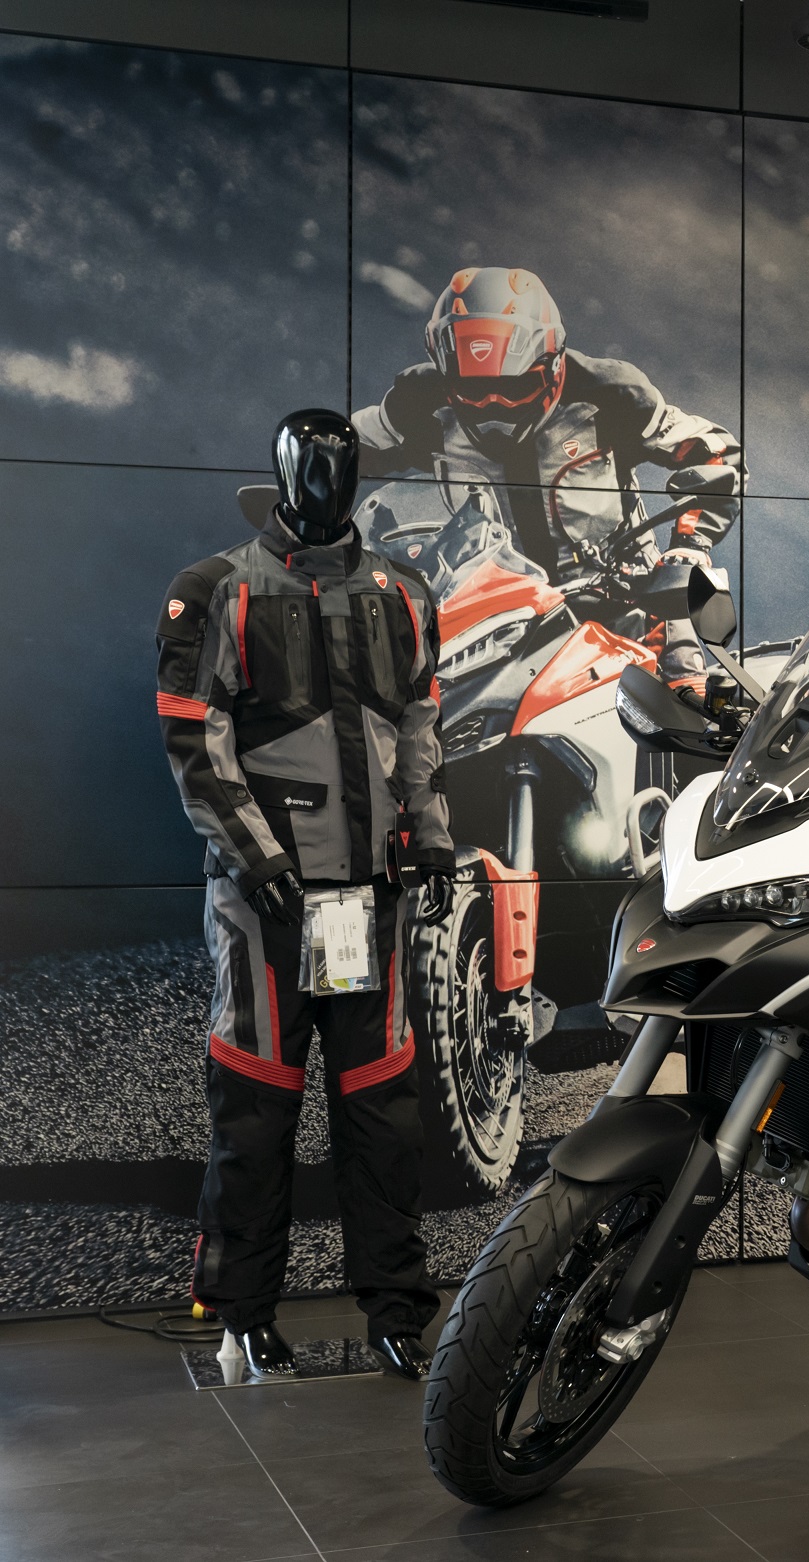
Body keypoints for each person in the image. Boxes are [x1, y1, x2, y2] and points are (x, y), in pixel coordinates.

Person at [155, 409, 456, 1380]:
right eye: (310, 466)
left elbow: (418, 727)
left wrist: (431, 833)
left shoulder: (403, 592)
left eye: (340, 466)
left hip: (369, 899)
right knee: (254, 1112)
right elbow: (195, 744)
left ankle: (397, 1309)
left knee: (383, 1115)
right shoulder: (216, 590)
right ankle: (241, 1314)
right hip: (265, 907)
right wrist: (259, 857)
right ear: (282, 474)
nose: (325, 482)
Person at [353, 266, 745, 685]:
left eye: (514, 388)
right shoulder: (419, 402)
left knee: (685, 703)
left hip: (628, 606)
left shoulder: (608, 394)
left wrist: (689, 548)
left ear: (553, 363)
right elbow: (339, 448)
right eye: (474, 390)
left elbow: (715, 451)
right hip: (497, 627)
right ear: (446, 375)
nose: (494, 406)